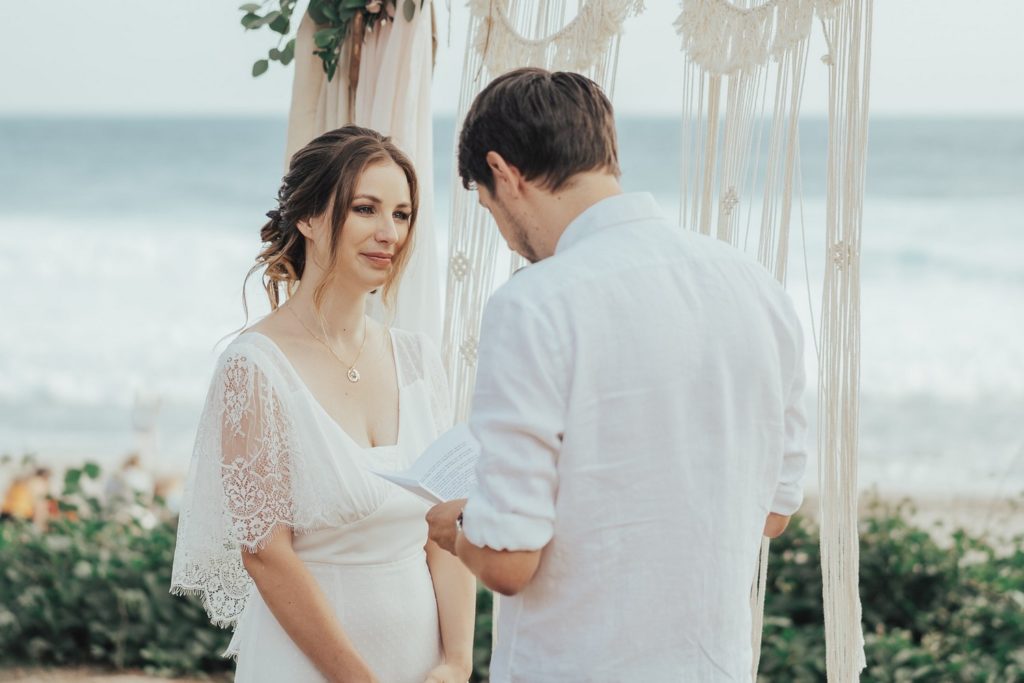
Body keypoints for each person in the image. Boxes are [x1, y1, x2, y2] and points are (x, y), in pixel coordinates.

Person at [425, 68, 808, 681]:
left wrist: (459, 527)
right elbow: (774, 513)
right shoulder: (756, 288)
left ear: (504, 173)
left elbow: (508, 564)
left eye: (487, 206)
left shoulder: (533, 304)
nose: (503, 236)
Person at [172, 126, 475, 683]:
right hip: (307, 667)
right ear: (309, 218)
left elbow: (449, 526)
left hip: (421, 661)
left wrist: (456, 660)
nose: (389, 233)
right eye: (366, 209)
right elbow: (265, 554)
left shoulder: (418, 359)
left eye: (403, 215)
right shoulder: (255, 367)